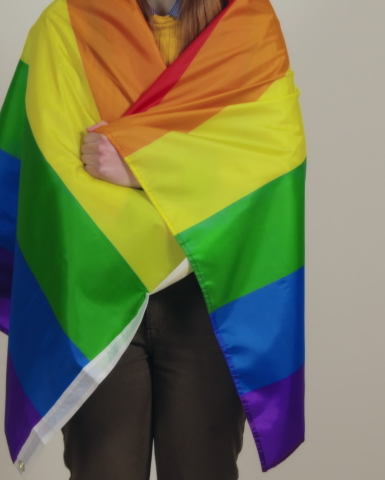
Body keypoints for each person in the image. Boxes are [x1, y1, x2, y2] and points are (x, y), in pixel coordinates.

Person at [60, 2, 247, 479]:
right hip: (102, 297)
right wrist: (186, 168)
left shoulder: (245, 27)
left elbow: (260, 167)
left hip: (206, 296)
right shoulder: (70, 25)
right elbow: (57, 165)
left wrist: (139, 168)